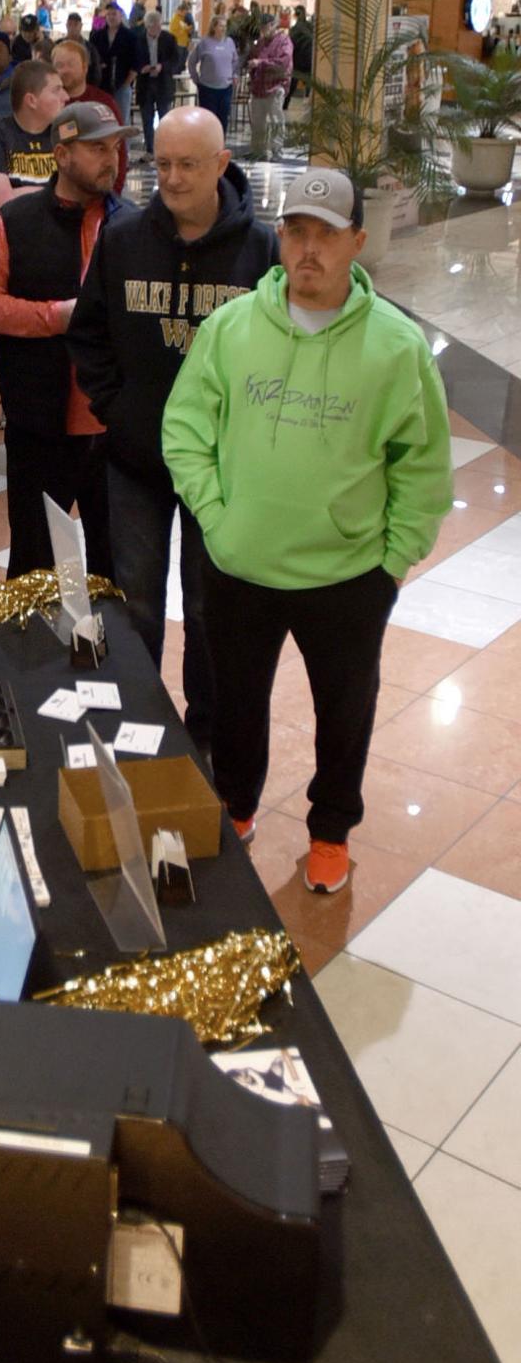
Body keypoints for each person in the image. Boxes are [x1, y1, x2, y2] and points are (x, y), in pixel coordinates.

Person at [162, 167, 453, 894]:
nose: (309, 249)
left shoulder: (395, 346)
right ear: (279, 237)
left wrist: (394, 558)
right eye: (296, 231)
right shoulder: (230, 328)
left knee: (344, 711)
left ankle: (330, 830)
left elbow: (423, 463)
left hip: (348, 576)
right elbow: (185, 430)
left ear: (359, 240)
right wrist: (219, 522)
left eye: (327, 233)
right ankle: (236, 803)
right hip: (240, 564)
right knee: (235, 699)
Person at [66, 107, 279, 755]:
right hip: (137, 459)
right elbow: (89, 333)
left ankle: (205, 735)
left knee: (211, 609)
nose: (174, 178)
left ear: (221, 164)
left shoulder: (260, 248)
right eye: (162, 164)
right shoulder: (124, 239)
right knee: (136, 601)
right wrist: (120, 409)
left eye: (189, 164)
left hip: (220, 468)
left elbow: (279, 350)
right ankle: (137, 717)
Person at [0, 101, 126, 579]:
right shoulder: (15, 222)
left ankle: (112, 652)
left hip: (113, 428)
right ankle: (30, 651)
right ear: (61, 155)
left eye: (116, 148)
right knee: (33, 564)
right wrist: (56, 317)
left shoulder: (133, 224)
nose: (111, 160)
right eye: (97, 148)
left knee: (115, 566)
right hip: (40, 423)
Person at [0, 59, 69, 506]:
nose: (66, 98)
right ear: (32, 99)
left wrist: (27, 190)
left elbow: (84, 194)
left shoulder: (67, 132)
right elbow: (0, 204)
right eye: (57, 90)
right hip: (5, 263)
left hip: (63, 263)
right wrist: (53, 192)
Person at [51, 39, 130, 189]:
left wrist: (113, 194)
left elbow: (119, 150)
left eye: (71, 64)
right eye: (59, 65)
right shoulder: (49, 103)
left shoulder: (103, 102)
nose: (64, 70)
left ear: (84, 67)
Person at [246, 12, 293, 159]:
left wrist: (261, 63)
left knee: (276, 121)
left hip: (275, 86)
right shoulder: (260, 42)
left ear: (273, 26)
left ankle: (276, 150)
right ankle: (258, 150)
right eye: (261, 28)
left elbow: (282, 63)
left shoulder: (284, 41)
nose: (263, 31)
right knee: (258, 122)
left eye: (265, 27)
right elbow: (253, 58)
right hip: (259, 88)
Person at [135, 10, 179, 156]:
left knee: (164, 118)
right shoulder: (138, 40)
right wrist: (142, 68)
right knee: (147, 119)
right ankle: (150, 149)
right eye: (152, 27)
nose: (156, 30)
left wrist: (162, 67)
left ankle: (165, 149)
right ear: (147, 27)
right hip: (145, 84)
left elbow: (176, 61)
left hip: (163, 83)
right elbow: (133, 60)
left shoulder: (169, 39)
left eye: (158, 26)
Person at [187, 14, 240, 135]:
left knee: (223, 119)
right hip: (208, 88)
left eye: (225, 26)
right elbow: (192, 61)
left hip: (226, 88)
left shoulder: (230, 42)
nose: (223, 29)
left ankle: (221, 145)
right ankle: (208, 146)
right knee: (208, 120)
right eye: (221, 26)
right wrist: (196, 79)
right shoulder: (205, 43)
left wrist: (235, 75)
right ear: (214, 27)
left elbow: (235, 61)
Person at [89, 0, 138, 133]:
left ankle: (123, 152)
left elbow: (136, 62)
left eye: (114, 14)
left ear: (120, 16)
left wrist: (127, 83)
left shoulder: (130, 37)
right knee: (102, 119)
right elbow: (92, 57)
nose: (111, 17)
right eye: (109, 14)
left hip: (122, 84)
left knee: (122, 120)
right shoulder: (97, 36)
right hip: (102, 84)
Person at [63, 9, 104, 85]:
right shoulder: (58, 45)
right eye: (70, 24)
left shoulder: (89, 48)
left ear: (81, 26)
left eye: (75, 24)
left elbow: (96, 70)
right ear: (66, 25)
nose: (72, 27)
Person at [287, 5, 314, 105]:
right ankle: (308, 99)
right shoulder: (311, 27)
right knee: (310, 81)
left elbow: (290, 44)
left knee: (293, 82)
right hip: (310, 59)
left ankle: (285, 103)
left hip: (298, 59)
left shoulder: (294, 29)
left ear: (295, 15)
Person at [169, 0, 195, 70]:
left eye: (186, 12)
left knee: (182, 62)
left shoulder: (183, 18)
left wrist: (189, 30)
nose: (185, 14)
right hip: (178, 43)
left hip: (184, 43)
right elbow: (173, 32)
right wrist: (185, 29)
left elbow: (186, 28)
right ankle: (176, 77)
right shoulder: (175, 19)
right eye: (184, 12)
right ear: (180, 11)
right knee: (178, 62)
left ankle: (179, 76)